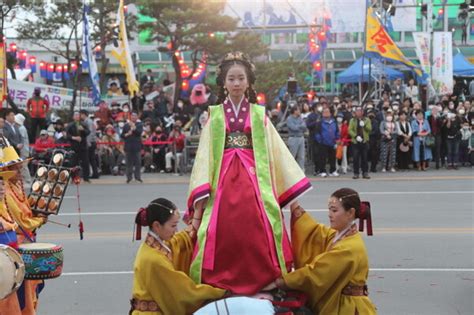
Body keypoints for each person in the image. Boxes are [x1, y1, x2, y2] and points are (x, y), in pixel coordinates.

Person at [187, 52, 311, 295]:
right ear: (223, 82)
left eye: (240, 78)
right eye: (231, 79)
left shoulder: (258, 114)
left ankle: (264, 275)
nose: (236, 83)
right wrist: (199, 205)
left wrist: (293, 202)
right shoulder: (214, 115)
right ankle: (218, 277)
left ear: (248, 82)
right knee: (220, 228)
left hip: (255, 178)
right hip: (222, 179)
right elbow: (205, 155)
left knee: (257, 224)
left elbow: (276, 152)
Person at [262, 188, 376, 315]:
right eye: (329, 210)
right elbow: (314, 233)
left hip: (348, 307)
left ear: (350, 213)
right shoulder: (340, 236)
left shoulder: (349, 248)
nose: (329, 214)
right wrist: (295, 206)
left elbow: (315, 273)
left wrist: (281, 282)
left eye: (334, 210)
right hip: (342, 301)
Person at [130, 198, 226, 314]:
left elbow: (180, 241)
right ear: (157, 226)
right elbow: (184, 292)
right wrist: (219, 292)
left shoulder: (155, 245)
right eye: (173, 225)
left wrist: (197, 218)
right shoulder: (154, 259)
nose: (176, 230)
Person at [0, 138, 48, 315]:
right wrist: (39, 221)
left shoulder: (14, 189)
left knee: (26, 293)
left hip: (17, 252)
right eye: (15, 168)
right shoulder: (7, 191)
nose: (19, 171)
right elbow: (21, 222)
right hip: (9, 258)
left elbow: (20, 217)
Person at [315, 107, 339, 177]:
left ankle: (333, 171)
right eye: (325, 112)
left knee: (333, 158)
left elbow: (337, 131)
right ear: (322, 114)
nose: (326, 113)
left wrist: (337, 139)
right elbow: (317, 133)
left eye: (327, 112)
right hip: (323, 143)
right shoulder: (320, 122)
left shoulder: (334, 121)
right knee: (322, 158)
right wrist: (320, 140)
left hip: (332, 142)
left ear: (330, 113)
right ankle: (322, 171)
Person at [66, 112, 90, 182]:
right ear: (73, 117)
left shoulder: (84, 124)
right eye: (75, 115)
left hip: (83, 146)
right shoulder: (70, 125)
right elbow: (67, 135)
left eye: (78, 115)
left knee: (85, 162)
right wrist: (74, 138)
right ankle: (73, 178)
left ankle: (86, 178)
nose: (77, 117)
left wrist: (83, 130)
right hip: (74, 146)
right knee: (73, 163)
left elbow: (88, 132)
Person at [349, 107, 372, 179]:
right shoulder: (352, 120)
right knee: (355, 158)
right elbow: (350, 130)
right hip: (355, 142)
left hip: (364, 141)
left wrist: (364, 126)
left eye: (360, 111)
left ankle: (365, 172)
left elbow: (369, 129)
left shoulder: (367, 120)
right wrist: (355, 136)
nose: (358, 112)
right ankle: (356, 173)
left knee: (364, 158)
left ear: (362, 112)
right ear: (355, 112)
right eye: (357, 111)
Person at [121, 111, 143, 183]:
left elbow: (139, 132)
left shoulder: (139, 124)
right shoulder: (126, 125)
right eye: (132, 116)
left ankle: (137, 177)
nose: (133, 117)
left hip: (136, 146)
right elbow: (122, 135)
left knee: (138, 163)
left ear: (137, 117)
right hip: (128, 146)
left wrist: (134, 127)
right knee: (129, 163)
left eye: (135, 116)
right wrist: (127, 134)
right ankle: (129, 178)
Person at [286, 106, 307, 171]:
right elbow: (293, 128)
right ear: (294, 111)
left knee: (301, 156)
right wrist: (300, 126)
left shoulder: (300, 118)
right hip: (293, 138)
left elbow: (304, 126)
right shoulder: (289, 119)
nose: (299, 112)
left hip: (301, 137)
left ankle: (301, 171)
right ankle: (290, 171)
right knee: (292, 156)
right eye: (298, 110)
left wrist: (298, 127)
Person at [80, 110, 99, 179]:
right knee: (91, 159)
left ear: (84, 114)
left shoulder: (88, 122)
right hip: (90, 142)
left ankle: (92, 173)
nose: (80, 116)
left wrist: (88, 142)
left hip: (90, 142)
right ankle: (94, 173)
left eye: (81, 114)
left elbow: (90, 133)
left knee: (89, 159)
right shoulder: (87, 121)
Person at [14, 113, 31, 184]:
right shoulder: (20, 128)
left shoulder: (21, 128)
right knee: (22, 166)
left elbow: (21, 140)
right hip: (24, 150)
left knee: (23, 166)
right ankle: (23, 179)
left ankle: (28, 179)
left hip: (23, 150)